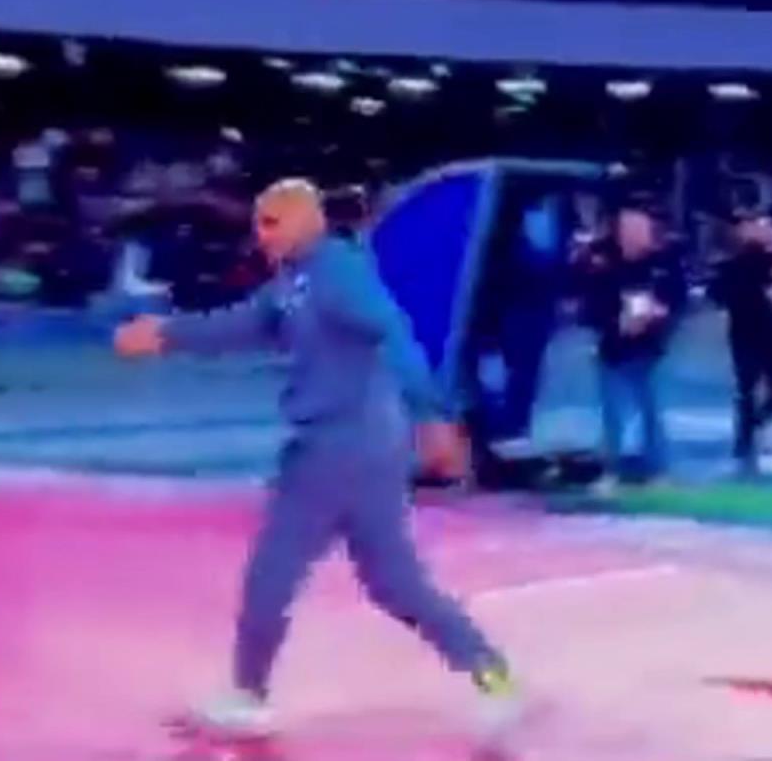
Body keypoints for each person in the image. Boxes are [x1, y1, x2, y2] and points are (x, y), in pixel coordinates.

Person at [113, 179, 518, 743]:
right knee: (394, 583)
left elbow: (391, 329)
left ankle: (248, 695)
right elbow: (242, 323)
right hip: (367, 446)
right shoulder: (295, 281)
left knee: (272, 570)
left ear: (308, 219)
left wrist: (432, 414)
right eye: (258, 224)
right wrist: (167, 335)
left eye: (272, 222)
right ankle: (492, 673)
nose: (261, 236)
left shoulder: (337, 273)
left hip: (337, 445)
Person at [573, 204, 686, 489]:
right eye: (630, 230)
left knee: (649, 409)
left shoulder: (662, 262)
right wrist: (616, 322)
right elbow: (589, 307)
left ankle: (657, 469)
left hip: (648, 349)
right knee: (613, 413)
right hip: (613, 349)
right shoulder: (602, 264)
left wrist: (661, 312)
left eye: (641, 229)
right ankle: (612, 470)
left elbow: (678, 297)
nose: (637, 235)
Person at [710, 212, 772, 475]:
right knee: (746, 385)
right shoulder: (732, 264)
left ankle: (761, 416)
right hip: (745, 333)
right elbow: (717, 293)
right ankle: (743, 438)